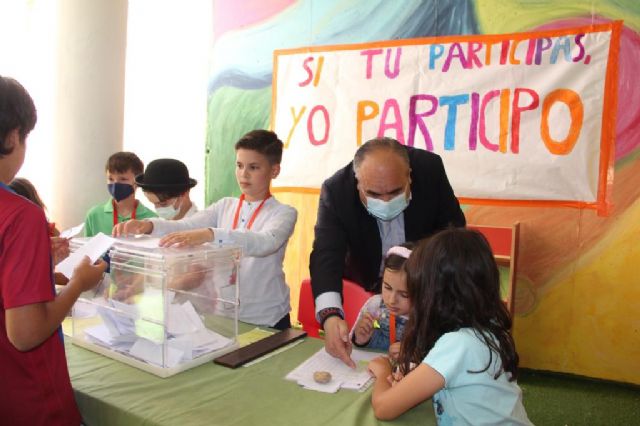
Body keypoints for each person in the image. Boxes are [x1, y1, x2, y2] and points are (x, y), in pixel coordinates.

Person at [0, 75, 107, 425]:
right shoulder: (21, 215)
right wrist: (78, 283)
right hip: (28, 396)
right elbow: (25, 334)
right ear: (13, 136)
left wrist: (34, 259)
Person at [113, 130, 297, 330]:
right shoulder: (224, 206)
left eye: (253, 167)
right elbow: (186, 225)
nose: (244, 174)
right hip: (225, 316)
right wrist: (148, 225)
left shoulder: (284, 213)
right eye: (239, 165)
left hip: (267, 318)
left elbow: (265, 243)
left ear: (274, 171)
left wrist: (210, 234)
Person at [310, 136, 465, 367]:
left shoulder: (429, 170)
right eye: (373, 194)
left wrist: (430, 297)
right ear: (358, 183)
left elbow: (452, 237)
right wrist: (330, 316)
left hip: (425, 292)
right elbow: (326, 255)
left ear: (409, 175)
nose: (385, 201)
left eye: (395, 192)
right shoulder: (336, 191)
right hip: (369, 292)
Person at [367, 228, 531, 424]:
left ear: (437, 294)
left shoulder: (458, 343)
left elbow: (383, 408)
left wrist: (383, 371)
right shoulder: (486, 326)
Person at [351, 243, 413, 361]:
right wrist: (362, 339)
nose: (391, 300)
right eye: (387, 288)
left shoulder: (429, 320)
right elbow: (366, 349)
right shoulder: (376, 307)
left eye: (404, 294)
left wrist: (414, 355)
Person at [84, 151, 157, 237]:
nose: (115, 184)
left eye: (123, 179)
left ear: (137, 182)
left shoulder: (152, 220)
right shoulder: (94, 215)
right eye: (110, 179)